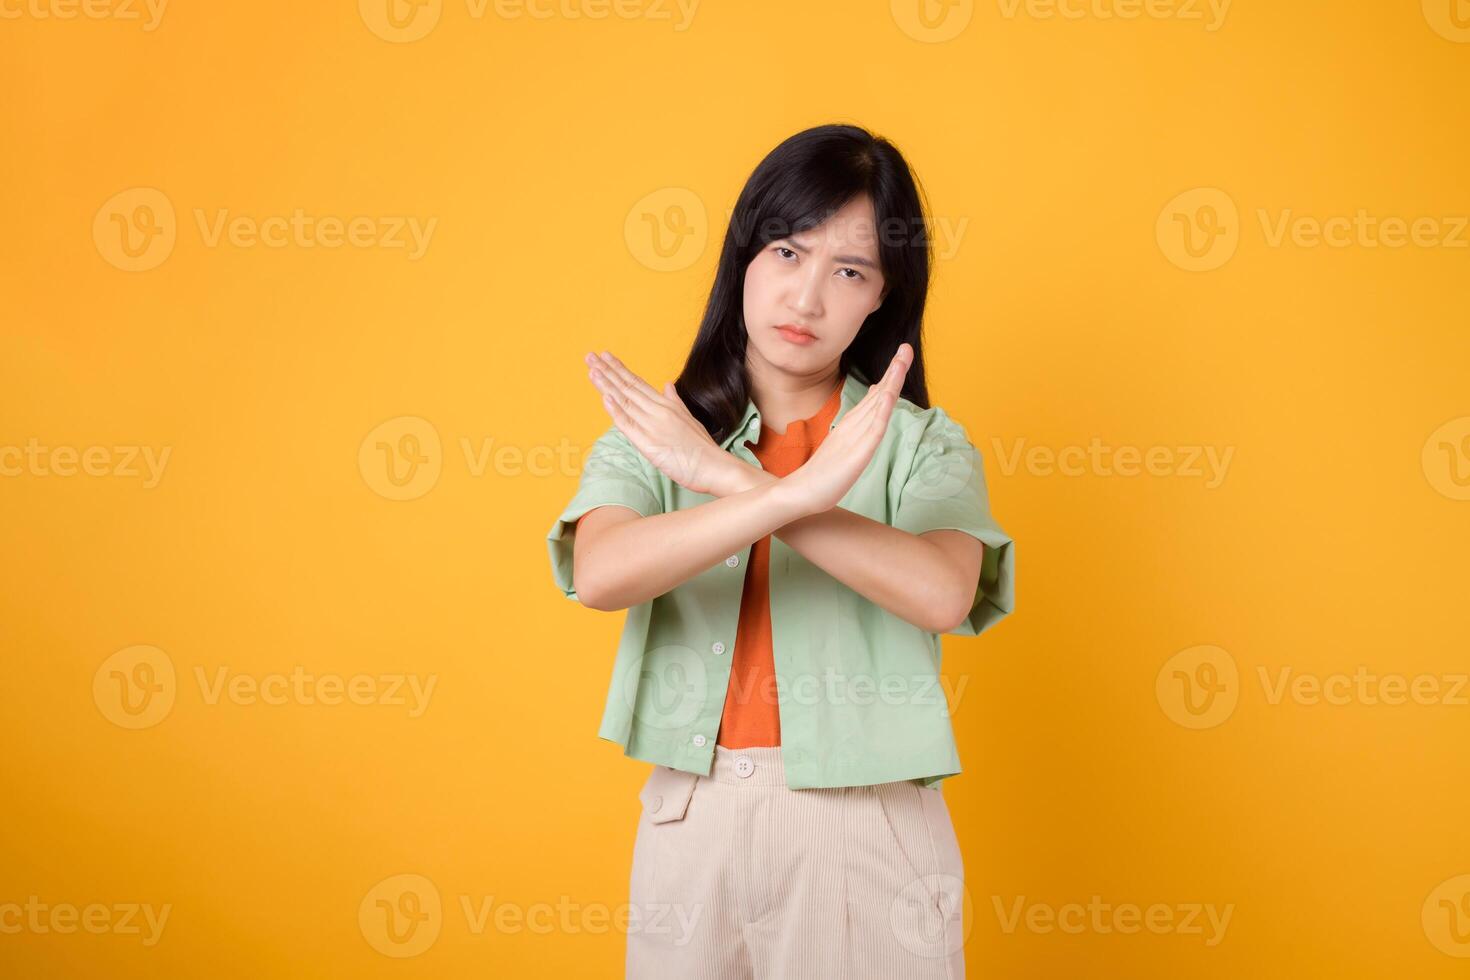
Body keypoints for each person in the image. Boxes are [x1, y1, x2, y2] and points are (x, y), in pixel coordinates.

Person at [546, 123, 1016, 979]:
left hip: (866, 824)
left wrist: (732, 483)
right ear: (744, 261)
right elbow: (600, 573)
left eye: (850, 271)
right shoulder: (660, 434)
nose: (806, 300)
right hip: (695, 816)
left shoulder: (921, 445)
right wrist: (776, 486)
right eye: (788, 253)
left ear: (882, 296)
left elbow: (944, 593)